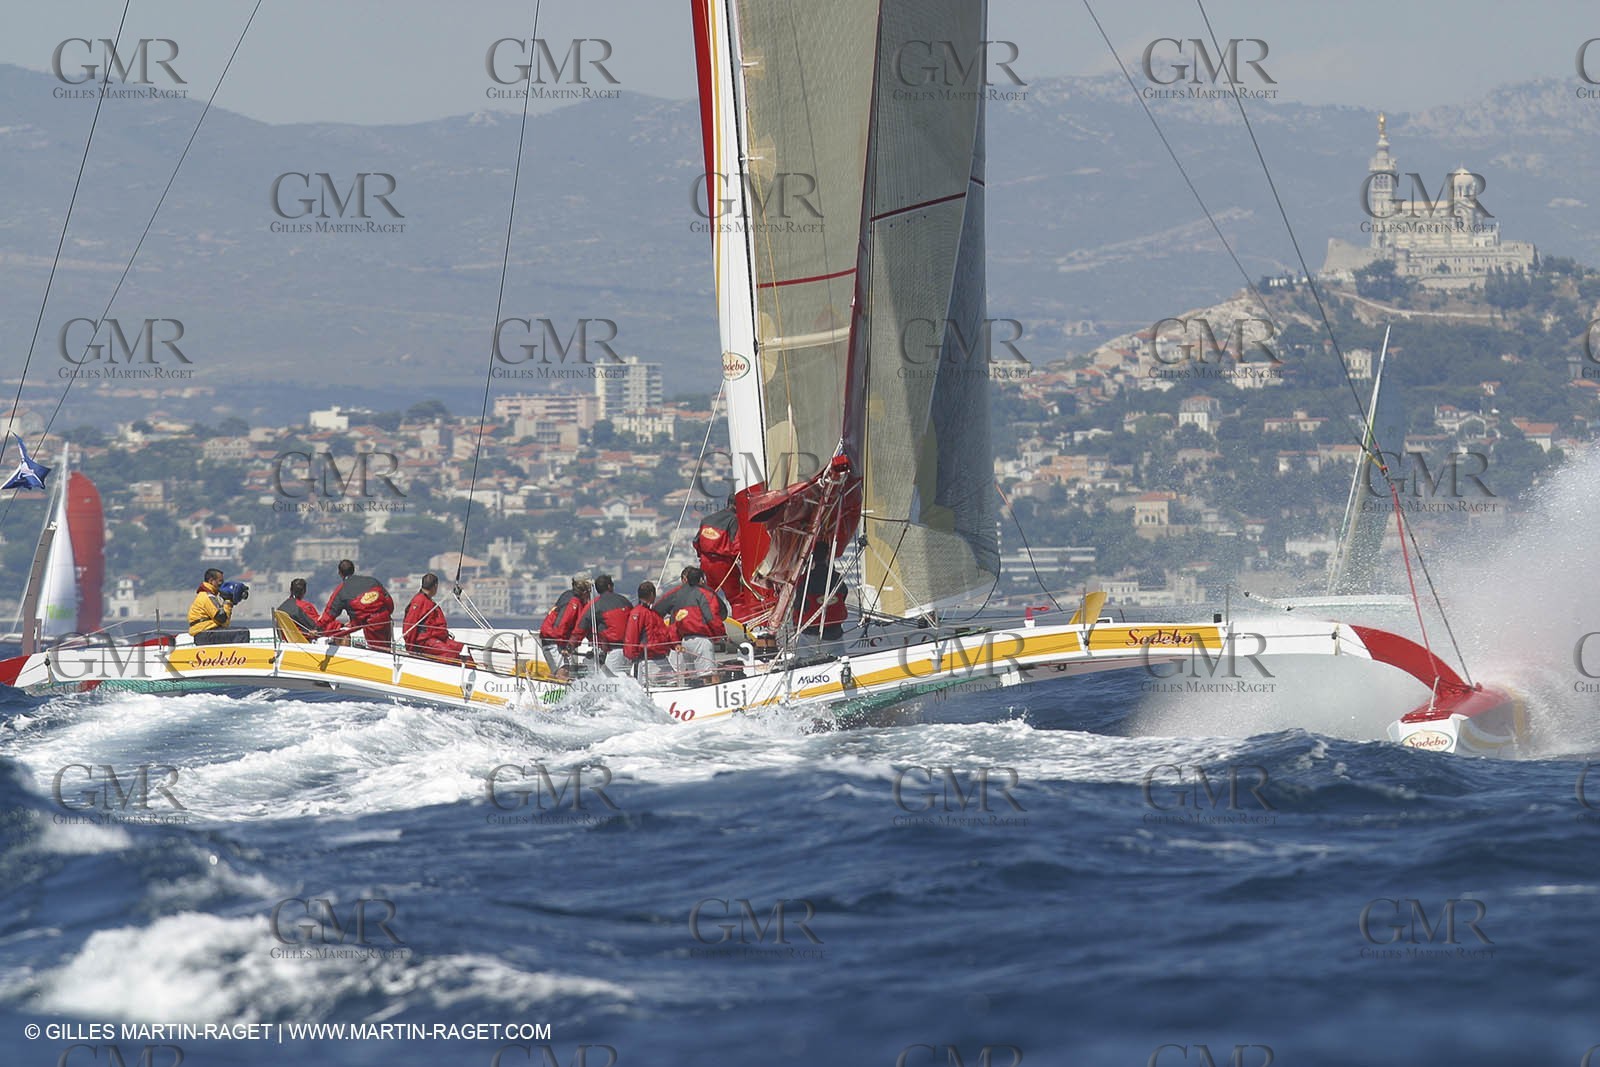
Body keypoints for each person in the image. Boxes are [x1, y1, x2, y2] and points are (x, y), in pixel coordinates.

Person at [655, 566, 726, 682]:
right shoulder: (706, 593)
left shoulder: (677, 595)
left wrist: (673, 641)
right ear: (701, 580)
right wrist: (720, 635)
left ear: (685, 579)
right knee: (708, 676)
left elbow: (660, 614)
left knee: (690, 678)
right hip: (702, 640)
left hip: (683, 642)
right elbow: (714, 616)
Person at [318, 559, 395, 652]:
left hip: (370, 625)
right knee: (387, 650)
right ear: (353, 570)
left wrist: (317, 628)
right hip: (385, 620)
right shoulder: (372, 581)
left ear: (340, 573)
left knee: (378, 652)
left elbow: (329, 613)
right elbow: (389, 602)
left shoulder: (341, 590)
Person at [402, 573, 473, 666]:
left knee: (462, 649)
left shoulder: (428, 601)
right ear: (435, 586)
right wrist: (411, 647)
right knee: (448, 654)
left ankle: (472, 669)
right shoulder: (419, 601)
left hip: (439, 638)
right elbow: (410, 625)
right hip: (425, 641)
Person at [572, 573, 632, 676]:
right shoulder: (624, 601)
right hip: (630, 650)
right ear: (609, 586)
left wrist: (571, 645)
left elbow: (581, 627)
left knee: (612, 683)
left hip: (613, 650)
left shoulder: (594, 605)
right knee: (624, 679)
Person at [623, 581, 674, 685]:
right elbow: (632, 636)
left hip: (659, 658)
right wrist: (634, 657)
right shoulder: (638, 613)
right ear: (652, 594)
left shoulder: (652, 614)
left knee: (673, 681)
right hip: (646, 660)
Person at [694, 492, 742, 603]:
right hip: (723, 564)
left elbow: (696, 542)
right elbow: (736, 547)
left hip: (705, 562)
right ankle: (743, 620)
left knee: (707, 597)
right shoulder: (734, 520)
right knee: (737, 598)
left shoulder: (707, 519)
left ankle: (704, 619)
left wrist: (701, 557)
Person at [797, 549, 850, 644]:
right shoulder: (837, 577)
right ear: (827, 558)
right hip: (834, 632)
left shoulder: (805, 579)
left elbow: (798, 604)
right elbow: (844, 593)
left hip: (809, 631)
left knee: (803, 654)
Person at [538, 574, 590, 655]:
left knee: (569, 666)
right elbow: (563, 623)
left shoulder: (569, 596)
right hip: (554, 641)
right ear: (584, 591)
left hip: (556, 639)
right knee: (563, 667)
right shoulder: (573, 603)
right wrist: (563, 645)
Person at [188, 568, 232, 637]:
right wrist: (228, 602)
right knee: (241, 633)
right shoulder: (207, 596)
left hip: (203, 631)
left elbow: (224, 622)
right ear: (211, 581)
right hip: (205, 633)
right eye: (220, 581)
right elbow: (221, 618)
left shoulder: (206, 595)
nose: (222, 584)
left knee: (235, 631)